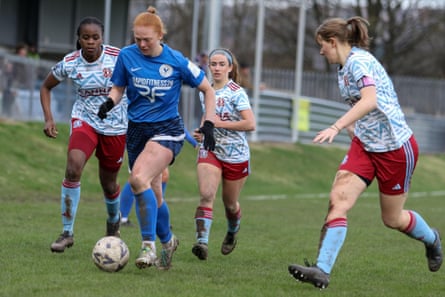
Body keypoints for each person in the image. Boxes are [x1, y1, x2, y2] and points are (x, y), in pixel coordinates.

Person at [288, 16, 442, 289]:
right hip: (365, 145)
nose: (321, 51)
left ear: (333, 42)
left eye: (322, 45)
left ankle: (431, 239)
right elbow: (364, 105)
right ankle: (322, 271)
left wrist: (337, 126)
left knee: (392, 218)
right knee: (338, 199)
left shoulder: (359, 63)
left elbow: (370, 100)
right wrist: (353, 130)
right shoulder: (343, 67)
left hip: (395, 149)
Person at [97, 6, 216, 270]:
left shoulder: (176, 60)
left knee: (138, 179)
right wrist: (109, 102)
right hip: (137, 132)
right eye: (137, 38)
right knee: (154, 194)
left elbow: (207, 89)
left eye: (147, 40)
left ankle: (148, 247)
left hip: (167, 130)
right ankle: (168, 241)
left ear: (160, 35)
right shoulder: (127, 56)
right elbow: (118, 87)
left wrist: (208, 123)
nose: (141, 44)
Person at [40, 17, 127, 253]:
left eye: (95, 37)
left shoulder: (119, 56)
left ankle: (112, 223)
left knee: (109, 184)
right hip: (85, 120)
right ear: (78, 39)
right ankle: (67, 232)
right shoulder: (70, 62)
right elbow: (46, 87)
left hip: (116, 126)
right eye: (85, 37)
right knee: (73, 166)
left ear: (102, 38)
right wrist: (49, 118)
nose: (90, 42)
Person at [191, 48, 256, 261]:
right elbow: (206, 117)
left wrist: (218, 123)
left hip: (236, 154)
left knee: (230, 203)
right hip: (211, 150)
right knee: (207, 194)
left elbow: (250, 123)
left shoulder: (236, 92)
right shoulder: (205, 90)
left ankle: (232, 230)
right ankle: (202, 242)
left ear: (230, 68)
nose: (217, 68)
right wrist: (201, 132)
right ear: (208, 67)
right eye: (213, 64)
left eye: (221, 64)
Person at [120, 128, 199, 226]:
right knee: (139, 178)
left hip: (156, 137)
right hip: (146, 137)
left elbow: (175, 120)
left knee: (157, 176)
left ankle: (154, 215)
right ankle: (125, 217)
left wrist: (192, 141)